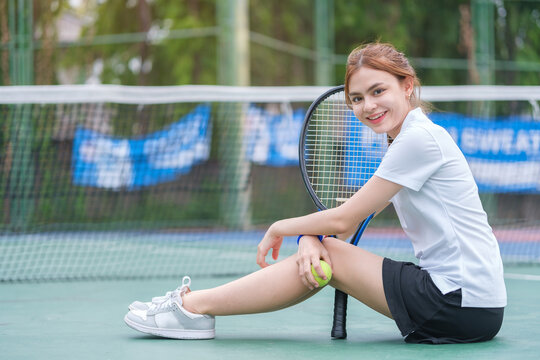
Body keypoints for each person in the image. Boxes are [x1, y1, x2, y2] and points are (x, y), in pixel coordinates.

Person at [124, 42, 506, 344]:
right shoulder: (407, 140)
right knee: (327, 254)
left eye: (378, 91)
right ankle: (194, 309)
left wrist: (282, 227)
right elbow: (351, 216)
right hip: (472, 304)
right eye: (356, 98)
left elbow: (341, 219)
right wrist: (311, 237)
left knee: (332, 257)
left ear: (407, 86)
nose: (367, 106)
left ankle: (193, 308)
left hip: (459, 302)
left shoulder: (419, 140)